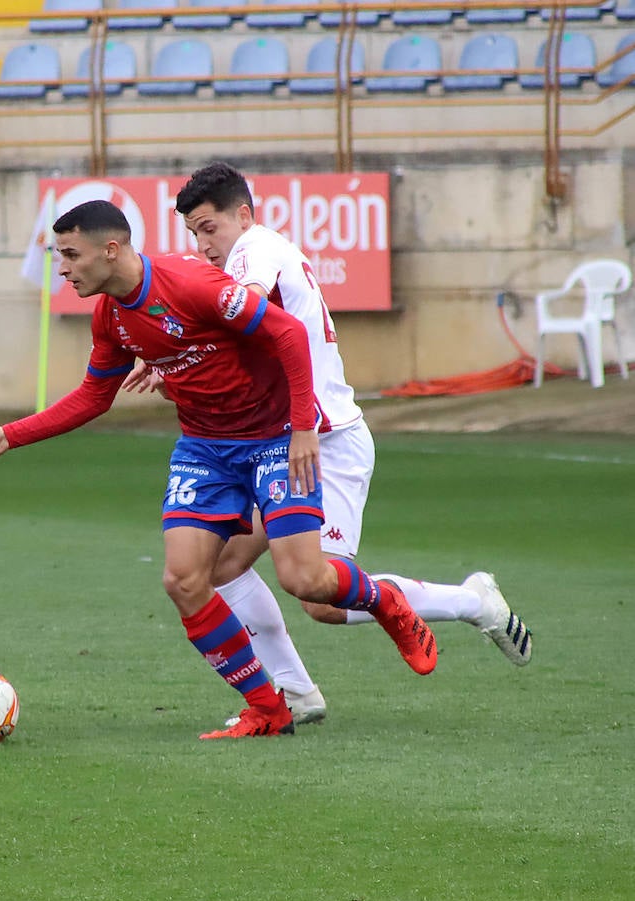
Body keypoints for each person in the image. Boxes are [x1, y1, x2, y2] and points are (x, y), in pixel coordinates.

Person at [0, 199, 440, 740]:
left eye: (71, 254)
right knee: (184, 580)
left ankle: (384, 599)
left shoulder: (191, 284)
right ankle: (268, 708)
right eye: (58, 255)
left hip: (274, 437)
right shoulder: (110, 317)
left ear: (110, 250)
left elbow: (287, 334)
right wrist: (10, 434)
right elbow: (94, 397)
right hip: (205, 449)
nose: (62, 267)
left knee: (305, 579)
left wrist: (304, 428)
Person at [137, 162, 532, 725]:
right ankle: (296, 693)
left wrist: (175, 354)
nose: (202, 246)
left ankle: (473, 601)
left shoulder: (254, 250)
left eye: (208, 229)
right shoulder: (254, 253)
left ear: (242, 216)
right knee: (220, 566)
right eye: (194, 235)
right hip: (276, 446)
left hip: (326, 443)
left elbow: (242, 320)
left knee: (319, 598)